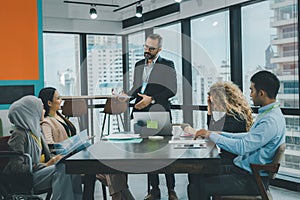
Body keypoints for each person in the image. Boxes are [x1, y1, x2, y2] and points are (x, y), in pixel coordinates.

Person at [187, 71, 286, 199]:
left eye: (252, 90)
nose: (250, 95)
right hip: (243, 170)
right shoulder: (270, 114)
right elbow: (246, 137)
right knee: (198, 174)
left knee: (197, 186)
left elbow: (242, 147)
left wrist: (211, 135)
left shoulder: (270, 120)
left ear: (261, 93)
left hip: (250, 179)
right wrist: (216, 134)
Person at [39, 87, 134, 200]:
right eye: (58, 98)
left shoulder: (61, 118)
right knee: (111, 170)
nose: (61, 100)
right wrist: (72, 144)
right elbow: (51, 147)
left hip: (77, 156)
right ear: (49, 102)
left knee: (112, 170)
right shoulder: (46, 122)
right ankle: (122, 197)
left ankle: (118, 197)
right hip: (68, 160)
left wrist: (78, 141)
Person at [127, 33, 178, 200]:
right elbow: (137, 87)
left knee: (165, 153)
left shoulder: (168, 64)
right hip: (142, 114)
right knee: (148, 152)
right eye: (145, 47)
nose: (147, 51)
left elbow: (172, 90)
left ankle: (171, 190)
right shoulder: (139, 64)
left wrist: (152, 99)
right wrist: (126, 96)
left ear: (159, 49)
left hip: (160, 112)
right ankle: (154, 190)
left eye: (151, 48)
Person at [4, 95, 82, 200]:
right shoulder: (19, 135)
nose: (44, 111)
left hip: (41, 172)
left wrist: (58, 157)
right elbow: (17, 167)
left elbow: (47, 155)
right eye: (41, 108)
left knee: (71, 168)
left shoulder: (37, 132)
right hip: (28, 177)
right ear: (31, 112)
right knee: (62, 170)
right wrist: (47, 164)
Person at [205, 81, 253, 163]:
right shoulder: (235, 113)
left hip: (233, 160)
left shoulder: (233, 117)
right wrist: (209, 109)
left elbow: (215, 133)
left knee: (196, 169)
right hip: (232, 157)